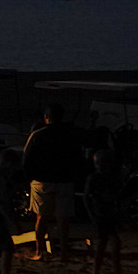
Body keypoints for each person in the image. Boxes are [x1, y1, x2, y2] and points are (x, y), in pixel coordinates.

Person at [21, 103, 86, 261]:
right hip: (64, 181)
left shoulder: (37, 135)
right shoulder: (70, 135)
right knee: (63, 219)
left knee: (41, 217)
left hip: (42, 181)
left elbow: (26, 160)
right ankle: (63, 252)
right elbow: (78, 159)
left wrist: (29, 178)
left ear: (46, 117)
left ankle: (39, 251)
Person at [84, 149, 126, 274]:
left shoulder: (104, 178)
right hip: (102, 213)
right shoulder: (98, 178)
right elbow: (88, 197)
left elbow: (87, 197)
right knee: (109, 242)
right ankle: (108, 273)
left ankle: (101, 273)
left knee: (107, 242)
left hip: (105, 213)